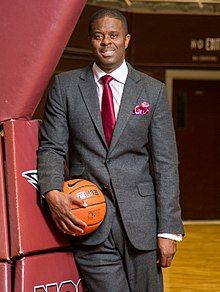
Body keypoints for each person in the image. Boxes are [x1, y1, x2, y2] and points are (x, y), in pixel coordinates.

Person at [37, 8, 184, 292]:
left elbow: (166, 163)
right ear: (90, 41)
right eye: (98, 36)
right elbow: (52, 147)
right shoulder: (64, 87)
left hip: (142, 223)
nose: (107, 42)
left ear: (126, 40)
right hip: (88, 219)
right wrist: (51, 189)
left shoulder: (151, 91)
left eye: (114, 35)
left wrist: (169, 229)